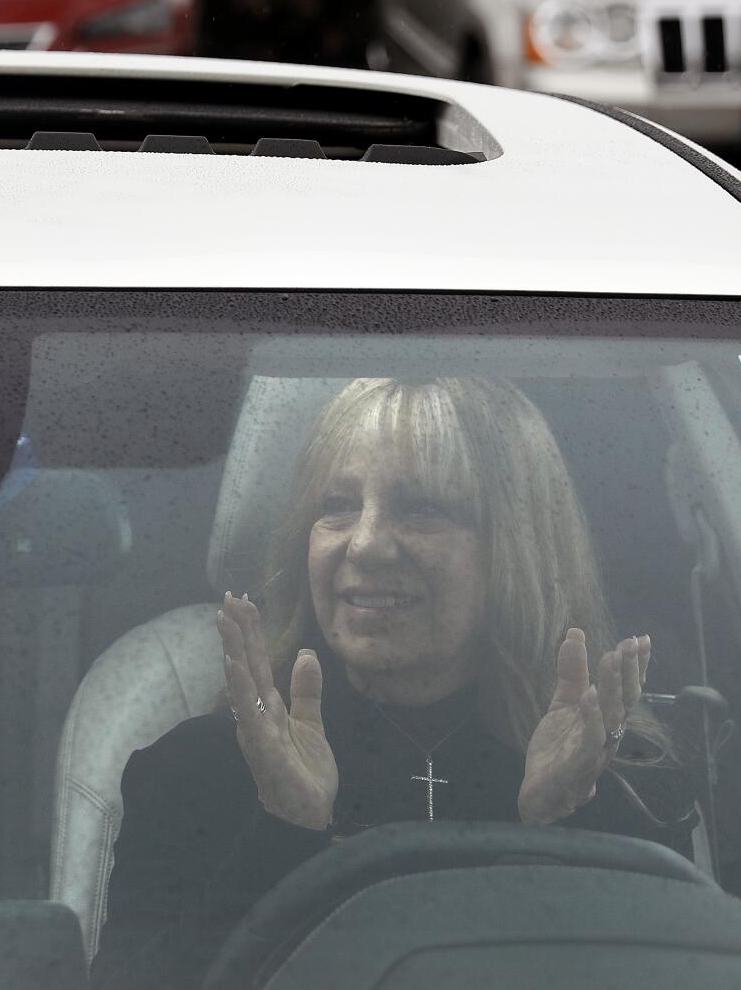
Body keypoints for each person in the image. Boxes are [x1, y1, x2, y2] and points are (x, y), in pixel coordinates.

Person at [93, 377, 693, 988]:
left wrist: (560, 829)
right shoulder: (195, 770)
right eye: (336, 506)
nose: (368, 544)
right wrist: (283, 831)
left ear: (518, 548)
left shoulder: (622, 782)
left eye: (422, 509)